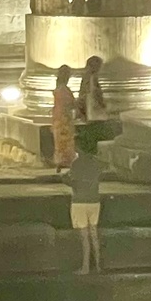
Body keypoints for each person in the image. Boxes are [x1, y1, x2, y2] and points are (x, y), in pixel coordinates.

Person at [65, 121, 105, 274]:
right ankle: (99, 266)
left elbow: (73, 181)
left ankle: (86, 267)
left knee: (84, 237)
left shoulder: (76, 164)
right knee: (94, 233)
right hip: (94, 200)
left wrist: (64, 179)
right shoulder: (96, 163)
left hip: (80, 202)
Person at [50, 64, 77, 169]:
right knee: (66, 141)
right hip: (64, 118)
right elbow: (69, 104)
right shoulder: (64, 90)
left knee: (60, 142)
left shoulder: (58, 88)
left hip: (58, 117)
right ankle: (65, 160)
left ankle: (60, 160)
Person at [77, 54, 107, 126]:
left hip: (89, 109)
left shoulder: (86, 77)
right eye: (99, 66)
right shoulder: (92, 77)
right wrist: (102, 104)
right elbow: (94, 93)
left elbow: (83, 93)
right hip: (93, 110)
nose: (100, 69)